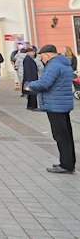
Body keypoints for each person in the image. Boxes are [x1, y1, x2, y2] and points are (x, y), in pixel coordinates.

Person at [25, 45, 75, 173]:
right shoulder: (64, 63)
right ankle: (68, 162)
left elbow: (44, 83)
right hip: (62, 104)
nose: (42, 60)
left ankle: (66, 165)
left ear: (47, 55)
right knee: (66, 135)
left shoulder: (53, 65)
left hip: (55, 105)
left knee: (60, 136)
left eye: (42, 57)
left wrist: (29, 85)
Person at [22, 46, 40, 110]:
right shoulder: (27, 59)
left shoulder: (29, 58)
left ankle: (29, 106)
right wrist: (30, 80)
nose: (34, 53)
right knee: (33, 93)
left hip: (30, 78)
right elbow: (27, 70)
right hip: (30, 78)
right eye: (33, 52)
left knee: (30, 93)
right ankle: (33, 107)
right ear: (29, 52)